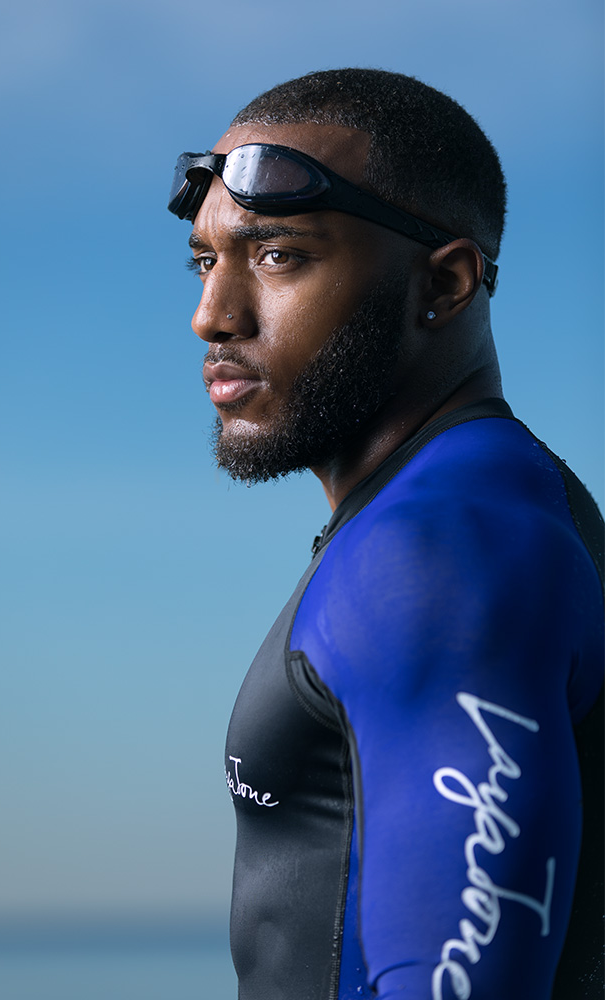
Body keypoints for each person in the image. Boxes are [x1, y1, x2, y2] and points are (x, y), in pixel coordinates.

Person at [167, 69, 604, 1000]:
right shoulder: (483, 509)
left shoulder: (443, 554)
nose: (213, 315)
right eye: (206, 261)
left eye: (278, 255)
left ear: (442, 282)